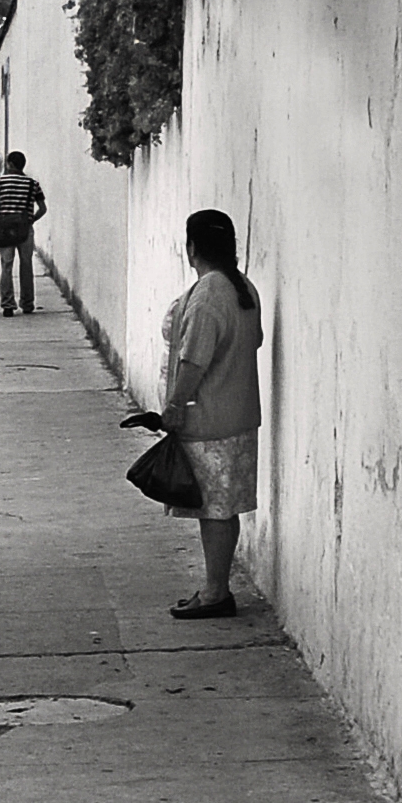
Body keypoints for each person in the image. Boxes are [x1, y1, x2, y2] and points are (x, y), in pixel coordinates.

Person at [139, 208, 264, 618]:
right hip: (238, 415)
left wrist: (175, 407)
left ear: (191, 248)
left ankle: (215, 593)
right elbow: (254, 340)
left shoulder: (209, 293)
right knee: (222, 510)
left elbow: (193, 359)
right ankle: (215, 586)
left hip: (209, 421)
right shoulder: (241, 286)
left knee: (212, 510)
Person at [0, 154, 47, 312]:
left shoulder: (0, 181)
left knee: (7, 265)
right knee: (26, 265)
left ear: (10, 164)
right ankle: (27, 303)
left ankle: (8, 304)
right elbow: (43, 209)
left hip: (5, 227)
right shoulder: (33, 184)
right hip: (25, 229)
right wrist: (31, 219)